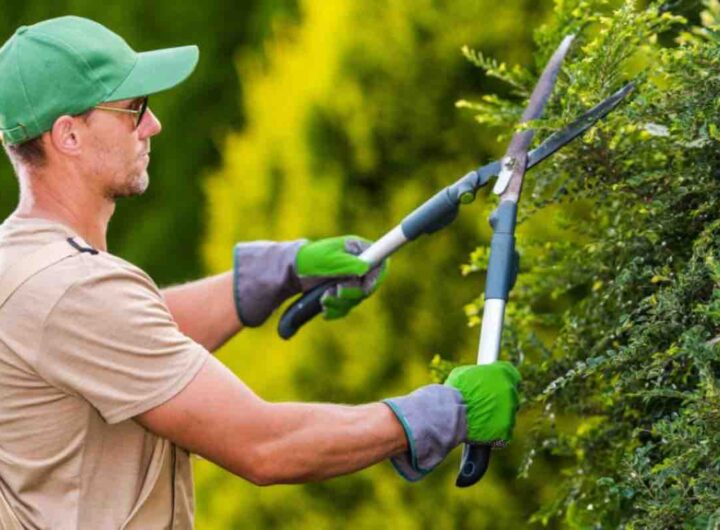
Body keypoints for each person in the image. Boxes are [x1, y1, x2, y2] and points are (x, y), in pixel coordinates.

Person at [0, 16, 520, 529]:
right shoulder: (74, 289)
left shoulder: (25, 261)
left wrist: (278, 272)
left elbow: (133, 339)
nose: (152, 124)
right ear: (68, 135)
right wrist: (442, 413)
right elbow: (265, 445)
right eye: (133, 109)